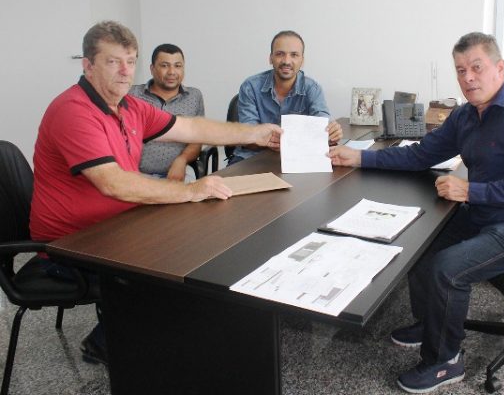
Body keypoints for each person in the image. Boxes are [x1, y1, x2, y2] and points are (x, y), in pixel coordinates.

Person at [29, 21, 280, 366]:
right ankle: (112, 343)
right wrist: (190, 189)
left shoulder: (129, 106)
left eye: (130, 61)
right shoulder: (74, 111)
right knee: (175, 267)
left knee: (199, 242)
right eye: (113, 62)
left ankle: (155, 335)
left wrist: (255, 134)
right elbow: (113, 183)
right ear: (88, 65)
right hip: (72, 246)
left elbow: (191, 127)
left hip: (118, 225)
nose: (124, 71)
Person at [329, 32, 504, 393]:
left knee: (448, 269)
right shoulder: (466, 114)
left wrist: (470, 190)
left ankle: (445, 361)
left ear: (499, 68)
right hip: (487, 212)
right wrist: (360, 157)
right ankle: (430, 324)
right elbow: (421, 154)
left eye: (477, 67)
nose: (468, 78)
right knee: (420, 243)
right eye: (460, 70)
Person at [230, 30, 343, 165]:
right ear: (270, 58)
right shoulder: (250, 87)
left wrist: (331, 133)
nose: (286, 61)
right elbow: (248, 137)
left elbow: (322, 123)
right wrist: (269, 141)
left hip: (298, 158)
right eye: (280, 54)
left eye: (294, 55)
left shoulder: (312, 89)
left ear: (302, 60)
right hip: (252, 158)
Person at [130, 43, 204, 182]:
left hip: (177, 173)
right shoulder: (132, 94)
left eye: (177, 66)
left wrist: (182, 160)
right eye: (164, 65)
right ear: (152, 69)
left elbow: (197, 141)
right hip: (135, 174)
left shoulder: (194, 96)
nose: (172, 72)